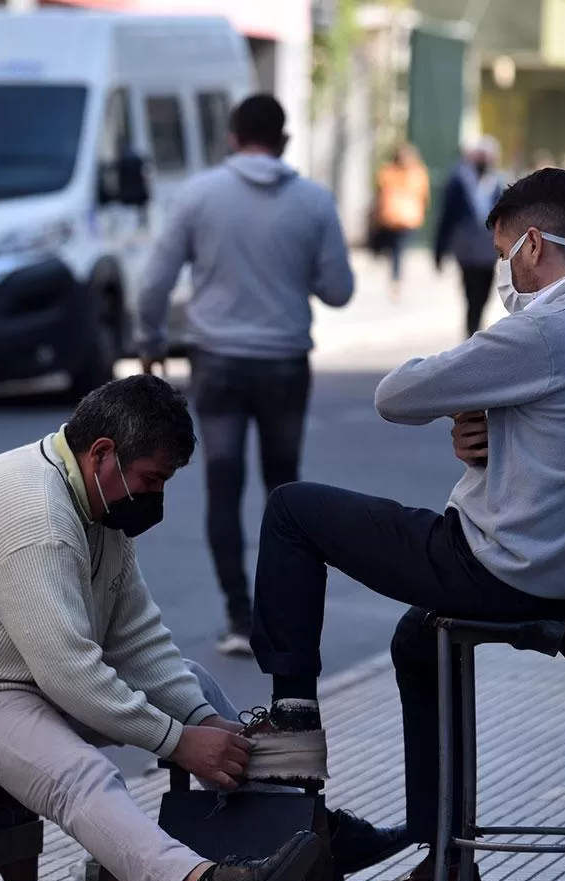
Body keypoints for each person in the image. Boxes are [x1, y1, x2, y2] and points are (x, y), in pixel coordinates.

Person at [237, 169, 565, 881]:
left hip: (504, 568)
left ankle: (292, 729)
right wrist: (494, 433)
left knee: (291, 511)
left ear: (532, 244)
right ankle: (448, 861)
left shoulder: (546, 329)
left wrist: (467, 405)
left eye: (505, 253)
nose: (504, 271)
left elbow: (397, 394)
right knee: (415, 639)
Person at [0, 376, 405, 881]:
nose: (157, 496)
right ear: (102, 453)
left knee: (195, 684)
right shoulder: (37, 523)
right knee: (78, 775)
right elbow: (71, 674)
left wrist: (204, 721)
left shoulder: (95, 505)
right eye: (152, 479)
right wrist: (179, 741)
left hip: (27, 680)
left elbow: (137, 642)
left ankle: (305, 830)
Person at [137, 95, 354, 658]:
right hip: (284, 361)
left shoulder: (198, 195)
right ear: (282, 139)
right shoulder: (313, 201)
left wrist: (150, 339)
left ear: (233, 137)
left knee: (222, 484)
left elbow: (154, 281)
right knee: (285, 491)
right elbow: (339, 290)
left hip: (218, 363)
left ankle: (238, 615)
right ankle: (280, 616)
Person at [434, 137, 506, 339]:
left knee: (484, 291)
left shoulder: (497, 182)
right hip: (466, 248)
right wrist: (439, 250)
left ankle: (475, 324)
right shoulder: (459, 181)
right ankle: (471, 329)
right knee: (470, 291)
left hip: (489, 249)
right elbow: (446, 217)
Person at [374, 143, 430, 300]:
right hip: (404, 218)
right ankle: (396, 278)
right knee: (398, 250)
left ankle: (395, 278)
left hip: (395, 217)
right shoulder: (417, 173)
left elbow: (380, 192)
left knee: (396, 250)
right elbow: (425, 197)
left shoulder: (389, 172)